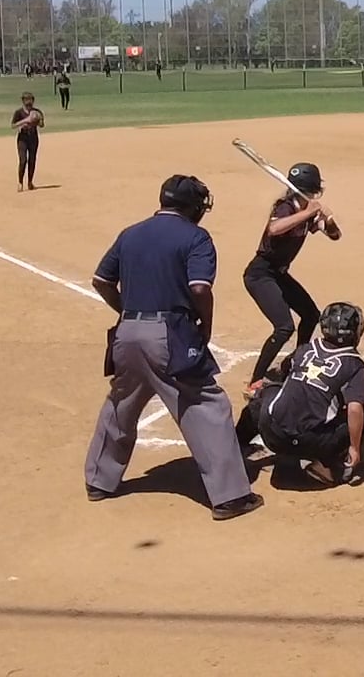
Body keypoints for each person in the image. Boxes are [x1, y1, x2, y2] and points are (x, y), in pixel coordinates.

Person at [83, 175, 262, 521]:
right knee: (205, 403)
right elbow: (199, 288)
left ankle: (99, 481)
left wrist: (126, 310)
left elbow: (101, 280)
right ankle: (230, 497)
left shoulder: (131, 233)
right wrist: (205, 323)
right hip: (169, 334)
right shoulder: (195, 237)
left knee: (121, 402)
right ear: (193, 206)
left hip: (127, 333)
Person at [236, 302, 364, 486]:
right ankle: (326, 466)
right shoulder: (354, 364)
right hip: (308, 443)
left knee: (265, 394)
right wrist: (355, 448)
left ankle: (235, 446)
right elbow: (355, 409)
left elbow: (283, 371)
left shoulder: (305, 349)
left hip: (272, 433)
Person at [244, 163, 341, 396]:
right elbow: (274, 228)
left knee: (311, 315)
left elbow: (335, 235)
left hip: (279, 274)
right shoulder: (286, 207)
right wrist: (307, 213)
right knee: (284, 327)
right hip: (260, 274)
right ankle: (255, 381)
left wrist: (328, 219)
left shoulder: (307, 210)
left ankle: (297, 362)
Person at [11, 92, 45, 192]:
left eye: (31, 100)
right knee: (23, 160)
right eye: (27, 100)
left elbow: (42, 125)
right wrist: (25, 121)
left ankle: (30, 182)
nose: (29, 102)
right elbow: (13, 125)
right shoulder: (18, 112)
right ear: (23, 101)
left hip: (33, 138)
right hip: (22, 138)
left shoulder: (37, 111)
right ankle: (20, 182)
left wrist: (37, 120)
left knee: (32, 160)